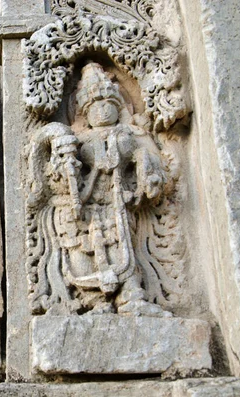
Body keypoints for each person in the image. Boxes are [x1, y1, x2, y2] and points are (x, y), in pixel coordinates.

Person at [28, 62, 170, 316]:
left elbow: (151, 160)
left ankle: (131, 295)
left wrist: (148, 177)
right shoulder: (78, 139)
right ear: (84, 112)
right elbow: (59, 175)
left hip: (119, 202)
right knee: (85, 250)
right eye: (94, 106)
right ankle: (94, 300)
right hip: (87, 207)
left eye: (108, 104)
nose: (102, 111)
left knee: (123, 249)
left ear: (119, 107)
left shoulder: (131, 133)